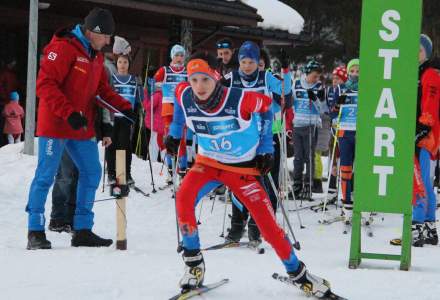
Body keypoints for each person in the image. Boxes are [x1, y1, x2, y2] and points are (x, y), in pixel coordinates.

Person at [165, 52, 334, 298]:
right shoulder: (184, 92)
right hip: (208, 164)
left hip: (241, 169)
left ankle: (299, 274)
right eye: (194, 80)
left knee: (267, 227)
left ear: (216, 77)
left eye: (205, 80)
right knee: (183, 199)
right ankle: (194, 264)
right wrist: (173, 132)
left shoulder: (239, 98)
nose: (198, 87)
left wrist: (266, 147)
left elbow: (267, 109)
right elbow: (179, 105)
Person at [25, 7, 135, 250]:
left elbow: (102, 91)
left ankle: (82, 229)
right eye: (106, 37)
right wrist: (68, 113)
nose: (108, 42)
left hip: (80, 127)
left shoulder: (95, 57)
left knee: (92, 172)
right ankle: (35, 230)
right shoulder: (63, 47)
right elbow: (45, 85)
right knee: (46, 175)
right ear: (93, 32)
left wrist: (125, 108)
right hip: (55, 124)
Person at [221, 42, 293, 244]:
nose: (247, 65)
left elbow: (284, 90)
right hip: (238, 139)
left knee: (263, 184)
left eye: (251, 61)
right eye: (243, 61)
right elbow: (216, 90)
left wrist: (285, 70)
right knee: (237, 183)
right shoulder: (232, 77)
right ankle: (237, 226)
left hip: (263, 138)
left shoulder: (265, 77)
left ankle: (256, 226)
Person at [410, 34, 440, 246]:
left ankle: (418, 224)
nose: (416, 55)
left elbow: (430, 103)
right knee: (425, 180)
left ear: (426, 53)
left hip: (426, 135)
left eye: (419, 51)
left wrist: (423, 128)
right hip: (424, 132)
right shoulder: (418, 73)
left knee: (419, 178)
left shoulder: (429, 74)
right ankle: (429, 226)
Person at [154, 44, 191, 179]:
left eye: (181, 55)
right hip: (168, 108)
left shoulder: (187, 72)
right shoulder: (165, 70)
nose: (179, 58)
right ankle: (170, 170)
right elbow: (154, 82)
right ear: (172, 56)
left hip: (181, 109)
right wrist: (160, 89)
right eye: (176, 55)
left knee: (181, 140)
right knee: (169, 139)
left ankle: (182, 170)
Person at [105, 54, 143, 185]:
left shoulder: (134, 80)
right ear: (116, 64)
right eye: (120, 62)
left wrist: (143, 90)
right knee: (111, 145)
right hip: (113, 117)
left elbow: (139, 100)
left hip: (126, 118)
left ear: (129, 64)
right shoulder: (112, 79)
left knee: (124, 146)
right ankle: (111, 174)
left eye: (125, 62)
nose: (122, 65)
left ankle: (125, 174)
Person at [292, 60, 326, 200]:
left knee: (309, 156)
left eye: (318, 76)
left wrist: (316, 100)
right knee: (298, 157)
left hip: (311, 125)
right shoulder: (297, 84)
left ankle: (309, 184)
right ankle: (297, 184)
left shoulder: (319, 87)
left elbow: (323, 110)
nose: (316, 79)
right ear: (307, 73)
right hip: (297, 125)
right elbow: (291, 102)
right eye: (314, 75)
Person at [335, 59, 359, 223]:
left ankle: (358, 198)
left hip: (360, 132)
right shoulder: (340, 88)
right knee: (345, 166)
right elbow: (331, 111)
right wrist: (337, 105)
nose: (355, 74)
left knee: (360, 167)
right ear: (348, 72)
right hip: (344, 131)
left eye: (358, 71)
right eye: (353, 71)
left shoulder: (366, 88)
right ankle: (346, 202)